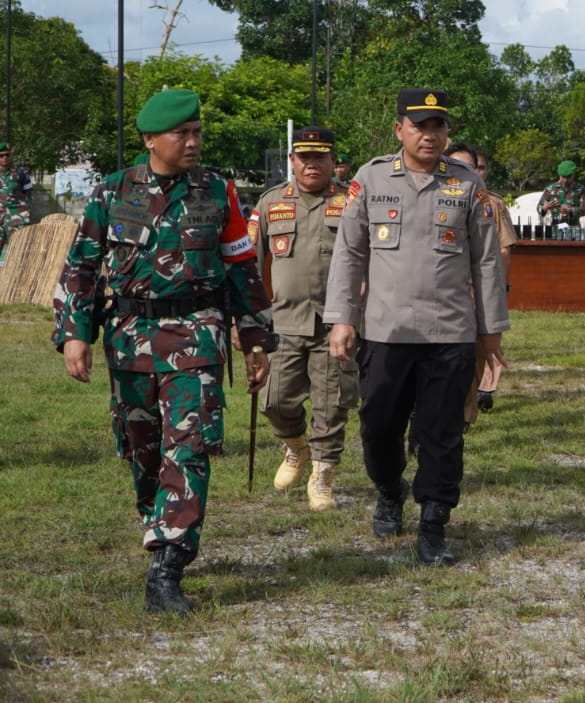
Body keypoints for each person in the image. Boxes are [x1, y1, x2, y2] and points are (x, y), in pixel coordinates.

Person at [51, 88, 274, 614]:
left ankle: (169, 564)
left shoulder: (219, 191)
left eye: (197, 132)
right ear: (151, 139)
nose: (193, 141)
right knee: (144, 447)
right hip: (129, 336)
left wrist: (256, 337)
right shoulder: (111, 193)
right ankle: (156, 519)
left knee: (191, 444)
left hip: (197, 331)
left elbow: (242, 267)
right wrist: (75, 334)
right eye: (182, 134)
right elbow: (80, 268)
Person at [324, 88, 509, 567]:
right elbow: (350, 253)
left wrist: (491, 335)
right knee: (378, 429)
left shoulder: (468, 185)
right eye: (420, 126)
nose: (430, 135)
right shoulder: (371, 178)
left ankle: (433, 525)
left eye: (438, 126)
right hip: (386, 333)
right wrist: (342, 317)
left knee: (441, 433)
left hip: (450, 334)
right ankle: (389, 488)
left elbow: (487, 263)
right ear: (399, 130)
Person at [250, 125, 357, 511]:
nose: (312, 164)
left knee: (332, 404)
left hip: (336, 323)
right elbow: (249, 262)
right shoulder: (270, 203)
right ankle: (295, 448)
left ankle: (323, 477)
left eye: (320, 157)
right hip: (284, 321)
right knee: (274, 400)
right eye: (304, 157)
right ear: (292, 161)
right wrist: (246, 320)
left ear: (333, 162)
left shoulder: (352, 202)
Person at [445, 141, 517, 419]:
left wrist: (501, 289)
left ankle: (473, 404)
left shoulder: (492, 203)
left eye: (476, 167)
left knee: (475, 354)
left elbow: (503, 249)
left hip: (477, 292)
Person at [0, 140, 34, 256]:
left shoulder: (21, 172)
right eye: (1, 155)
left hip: (17, 217)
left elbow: (28, 193)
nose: (5, 157)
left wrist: (26, 212)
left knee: (18, 252)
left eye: (7, 155)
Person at [537, 160, 585, 227]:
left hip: (573, 229)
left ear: (573, 174)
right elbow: (539, 208)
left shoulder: (580, 189)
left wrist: (570, 211)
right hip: (555, 229)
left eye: (568, 177)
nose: (565, 180)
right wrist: (545, 207)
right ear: (559, 175)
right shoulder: (550, 189)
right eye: (563, 177)